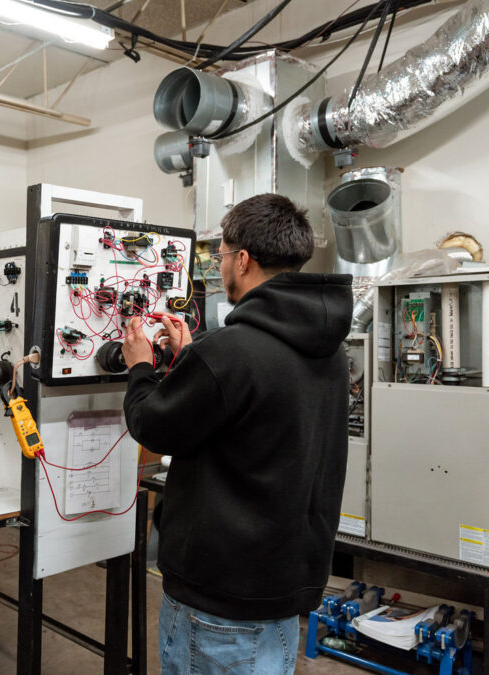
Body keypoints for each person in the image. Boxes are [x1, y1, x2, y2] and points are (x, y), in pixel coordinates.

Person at [121, 194, 353, 674]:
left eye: (223, 255)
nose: (221, 265)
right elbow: (251, 416)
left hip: (219, 603)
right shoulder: (329, 350)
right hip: (281, 594)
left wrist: (140, 368)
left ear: (242, 259)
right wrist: (193, 357)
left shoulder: (231, 352)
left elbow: (153, 425)